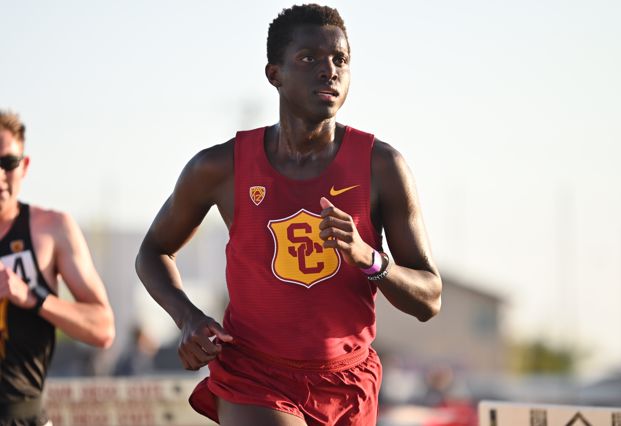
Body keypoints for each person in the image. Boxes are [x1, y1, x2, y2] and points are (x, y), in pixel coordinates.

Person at [136, 4, 442, 425]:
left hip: (348, 382)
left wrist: (369, 258)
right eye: (309, 58)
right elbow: (153, 251)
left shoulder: (382, 166)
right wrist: (187, 318)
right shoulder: (220, 167)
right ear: (274, 74)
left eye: (340, 60)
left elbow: (429, 298)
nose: (329, 71)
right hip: (253, 374)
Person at [0, 110, 115, 426]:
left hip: (25, 417)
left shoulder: (51, 229)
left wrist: (34, 297)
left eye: (7, 163)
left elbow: (103, 328)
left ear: (24, 166)